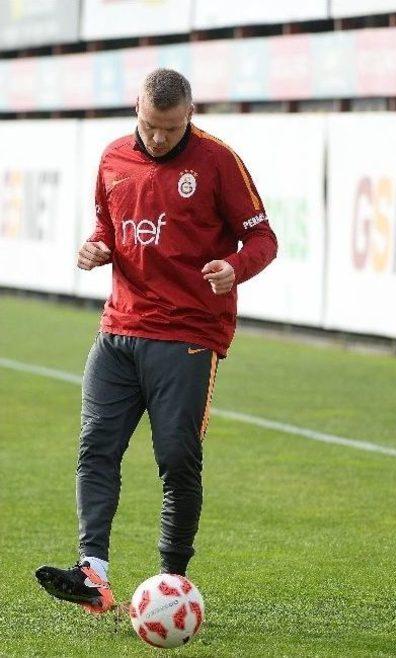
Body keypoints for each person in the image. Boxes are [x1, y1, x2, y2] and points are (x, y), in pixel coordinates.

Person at [35, 68, 277, 614]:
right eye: (149, 126)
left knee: (175, 458)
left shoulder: (218, 161)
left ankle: (171, 581)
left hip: (188, 334)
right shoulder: (114, 157)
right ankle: (92, 573)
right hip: (119, 329)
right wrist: (96, 248)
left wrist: (235, 267)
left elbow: (263, 236)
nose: (158, 138)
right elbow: (107, 226)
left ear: (189, 115)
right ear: (136, 111)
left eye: (169, 128)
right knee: (96, 447)